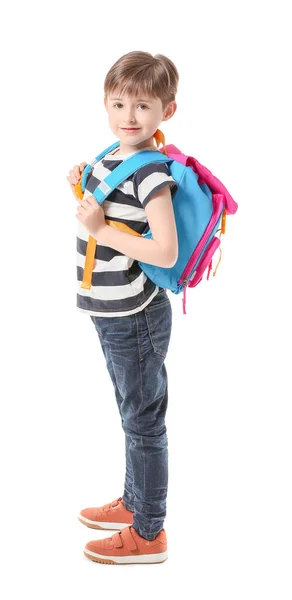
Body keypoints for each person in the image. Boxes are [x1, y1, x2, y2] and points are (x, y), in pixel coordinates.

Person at [67, 50, 179, 565]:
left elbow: (165, 250)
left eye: (143, 105)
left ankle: (149, 531)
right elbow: (111, 212)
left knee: (143, 423)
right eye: (118, 103)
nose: (129, 116)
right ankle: (136, 503)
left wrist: (100, 228)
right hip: (112, 314)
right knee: (131, 414)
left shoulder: (152, 171)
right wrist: (83, 184)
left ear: (166, 112)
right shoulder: (115, 153)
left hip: (135, 317)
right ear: (105, 105)